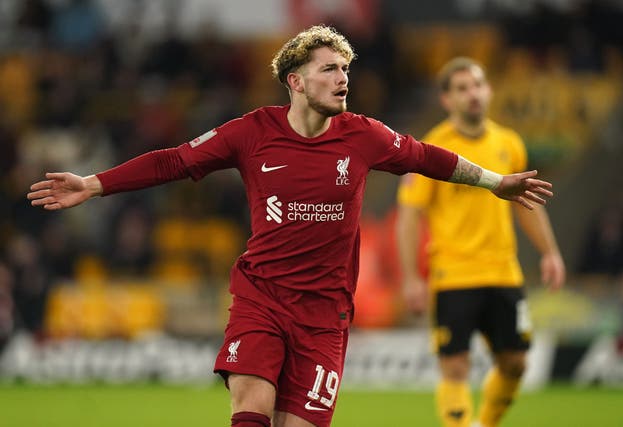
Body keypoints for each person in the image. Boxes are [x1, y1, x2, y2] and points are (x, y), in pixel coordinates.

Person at [28, 27, 554, 427]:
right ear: (296, 81)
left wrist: (494, 182)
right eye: (329, 69)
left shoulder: (364, 135)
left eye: (345, 69)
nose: (343, 77)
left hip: (326, 316)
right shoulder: (250, 132)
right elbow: (174, 161)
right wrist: (94, 184)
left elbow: (428, 157)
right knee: (252, 406)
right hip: (262, 297)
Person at [396, 57, 565, 427]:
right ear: (446, 100)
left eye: (477, 85)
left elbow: (528, 206)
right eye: (462, 88)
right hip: (453, 274)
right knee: (455, 366)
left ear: (488, 90)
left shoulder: (509, 144)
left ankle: (485, 424)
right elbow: (409, 215)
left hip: (504, 272)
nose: (472, 94)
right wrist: (411, 277)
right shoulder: (432, 150)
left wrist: (550, 252)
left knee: (516, 363)